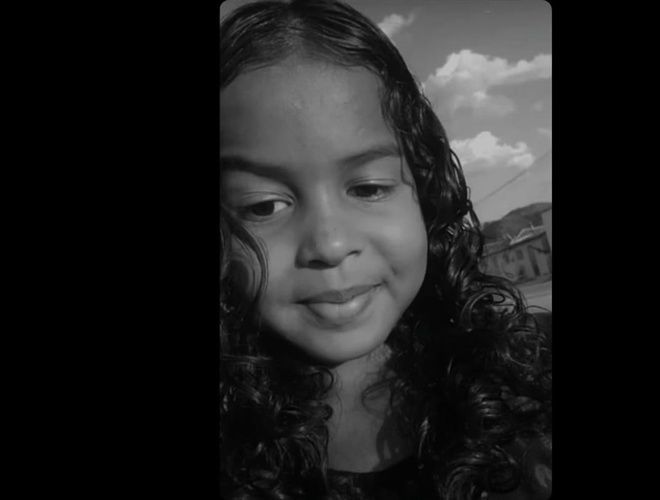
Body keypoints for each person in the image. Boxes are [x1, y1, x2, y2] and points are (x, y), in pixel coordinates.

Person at [219, 1, 552, 498]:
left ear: (426, 189)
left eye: (369, 188)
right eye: (264, 206)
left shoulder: (532, 377)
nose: (331, 246)